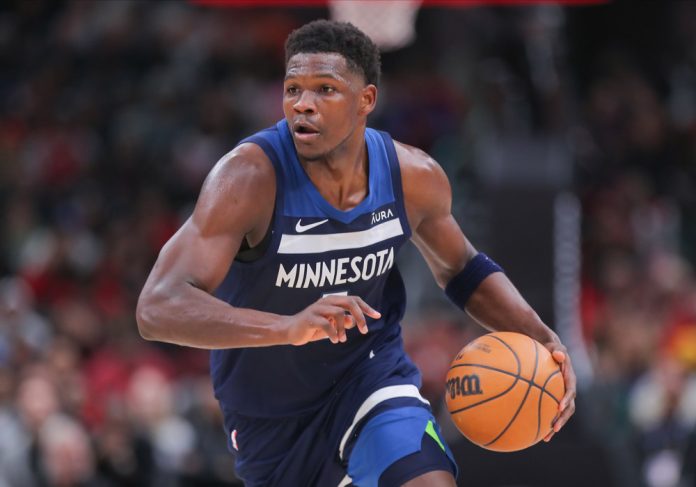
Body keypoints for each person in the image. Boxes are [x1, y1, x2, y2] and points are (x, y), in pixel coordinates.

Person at [136, 19, 577, 487]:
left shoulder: (412, 176)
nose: (303, 104)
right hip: (271, 413)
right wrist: (286, 328)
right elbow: (158, 306)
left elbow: (462, 268)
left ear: (366, 99)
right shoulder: (247, 179)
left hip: (370, 378)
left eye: (325, 89)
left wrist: (541, 336)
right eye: (293, 89)